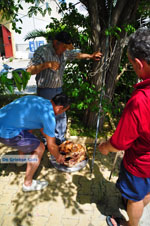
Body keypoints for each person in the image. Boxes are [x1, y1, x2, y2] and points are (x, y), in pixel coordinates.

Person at [99, 27, 150, 226]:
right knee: (146, 190)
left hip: (141, 162)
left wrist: (105, 147)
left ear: (138, 63)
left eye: (131, 64)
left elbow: (120, 142)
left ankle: (131, 223)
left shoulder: (141, 100)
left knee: (136, 197)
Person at [27, 31, 102, 145]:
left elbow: (77, 55)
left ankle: (60, 139)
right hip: (45, 90)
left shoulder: (65, 52)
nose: (65, 50)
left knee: (61, 113)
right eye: (64, 47)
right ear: (56, 42)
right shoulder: (43, 51)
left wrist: (91, 56)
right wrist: (46, 65)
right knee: (47, 115)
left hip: (59, 88)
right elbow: (29, 70)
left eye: (67, 48)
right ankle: (47, 141)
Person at [0, 93, 70, 192]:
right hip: (6, 133)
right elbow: (51, 146)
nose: (61, 113)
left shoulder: (39, 101)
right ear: (60, 108)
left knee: (28, 132)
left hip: (2, 120)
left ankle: (20, 161)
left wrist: (50, 138)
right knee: (40, 148)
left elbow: (42, 128)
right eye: (64, 111)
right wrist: (58, 156)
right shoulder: (49, 116)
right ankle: (28, 184)